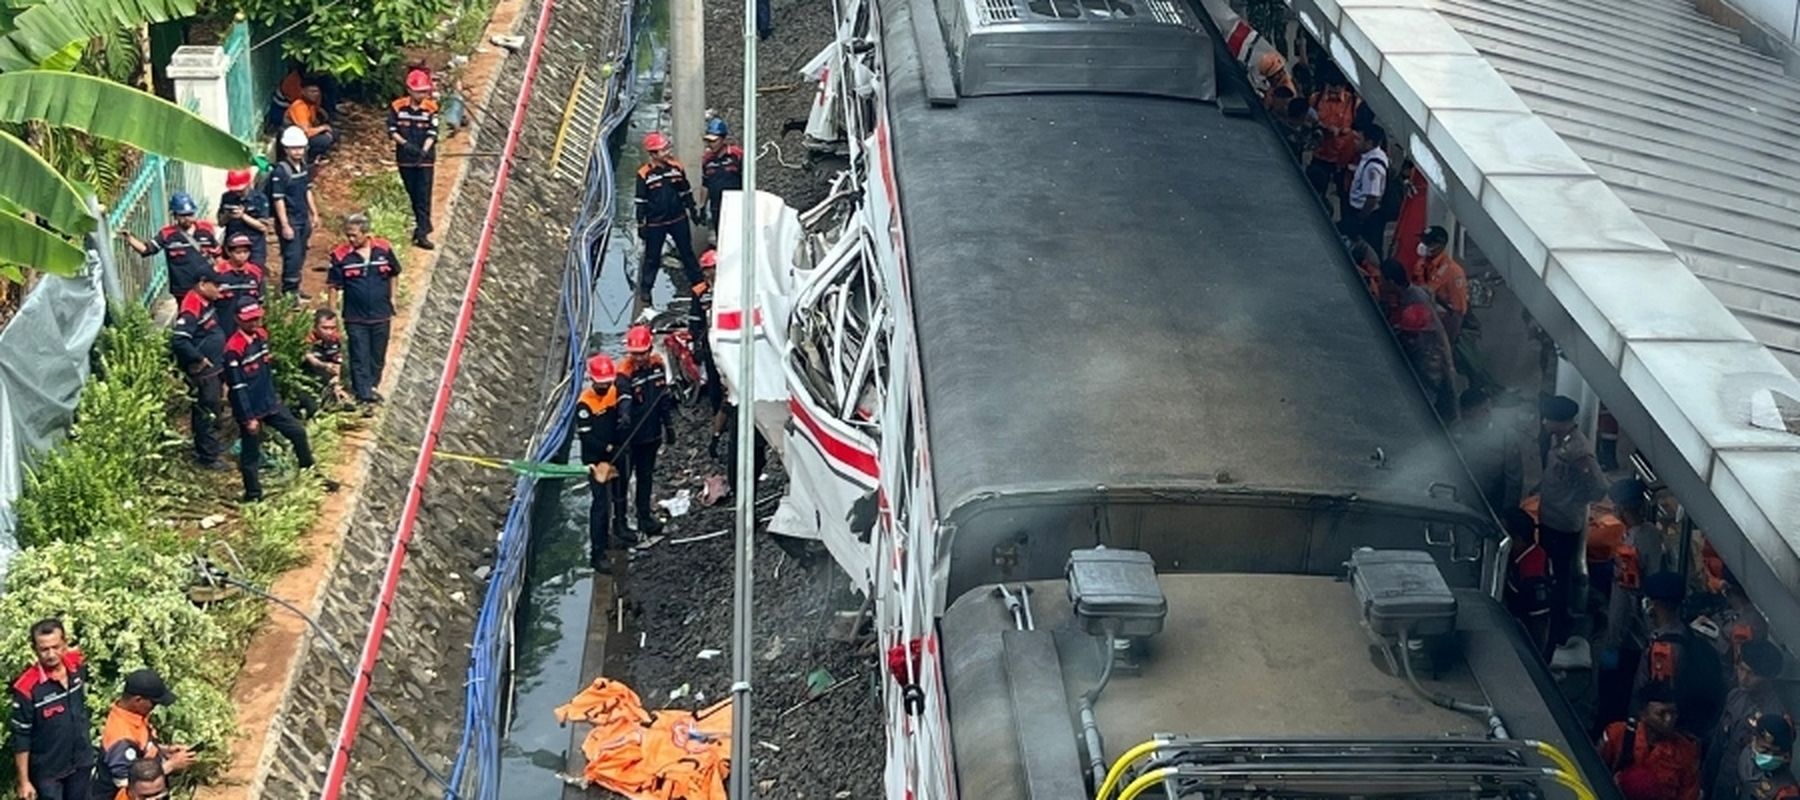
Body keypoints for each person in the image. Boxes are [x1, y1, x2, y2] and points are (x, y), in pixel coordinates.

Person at [224, 302, 332, 503]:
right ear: (237, 320)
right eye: (249, 320)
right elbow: (237, 387)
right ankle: (253, 495)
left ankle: (310, 472)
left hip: (269, 401)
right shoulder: (234, 349)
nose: (254, 323)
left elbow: (265, 370)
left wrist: (274, 396)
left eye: (257, 318)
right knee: (251, 453)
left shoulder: (261, 336)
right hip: (250, 408)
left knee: (297, 432)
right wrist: (248, 418)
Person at [1538, 394, 1607, 657]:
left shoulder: (1578, 451)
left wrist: (1576, 500)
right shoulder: (1559, 441)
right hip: (1551, 517)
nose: (1544, 423)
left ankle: (1559, 626)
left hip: (1564, 523)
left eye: (1548, 418)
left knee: (1560, 578)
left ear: (1560, 421)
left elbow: (1598, 487)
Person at [1599, 478, 1668, 726]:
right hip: (1646, 626)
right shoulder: (1651, 533)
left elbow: (1624, 597)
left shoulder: (1632, 548)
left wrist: (1613, 640)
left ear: (1624, 508)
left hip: (1632, 634)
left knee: (1616, 689)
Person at [1633, 571, 1726, 738]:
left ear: (1656, 603)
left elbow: (1658, 695)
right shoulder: (1687, 633)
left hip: (1661, 730)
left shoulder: (1664, 648)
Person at [9, 619, 93, 800]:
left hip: (81, 762)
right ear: (34, 649)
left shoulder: (76, 665)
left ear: (65, 644)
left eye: (56, 647)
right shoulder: (26, 688)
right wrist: (24, 781)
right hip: (48, 773)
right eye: (44, 649)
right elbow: (21, 737)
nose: (51, 654)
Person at [325, 214, 400, 406]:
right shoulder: (340, 256)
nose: (350, 239)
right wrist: (332, 315)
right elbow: (333, 286)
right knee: (359, 354)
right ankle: (364, 394)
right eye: (348, 235)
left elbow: (394, 273)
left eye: (354, 235)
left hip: (381, 314)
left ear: (366, 233)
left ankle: (372, 387)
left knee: (377, 355)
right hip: (355, 317)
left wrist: (393, 297)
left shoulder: (383, 249)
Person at [1707, 640, 1792, 799]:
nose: (1744, 678)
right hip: (1720, 779)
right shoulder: (1736, 695)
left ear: (1767, 678)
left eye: (1752, 674)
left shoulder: (1776, 717)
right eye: (1742, 669)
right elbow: (1718, 741)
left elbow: (1776, 767)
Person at [634, 131, 704, 305]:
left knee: (687, 252)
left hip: (678, 219)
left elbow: (685, 191)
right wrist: (641, 224)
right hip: (656, 223)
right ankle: (646, 290)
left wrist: (693, 211)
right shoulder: (644, 174)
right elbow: (640, 202)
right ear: (653, 154)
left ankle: (698, 283)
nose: (667, 152)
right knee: (652, 257)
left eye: (666, 149)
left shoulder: (676, 168)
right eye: (663, 150)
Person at [616, 324, 674, 536]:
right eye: (635, 354)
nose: (639, 358)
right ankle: (620, 522)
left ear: (649, 349)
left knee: (645, 477)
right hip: (630, 437)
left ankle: (644, 517)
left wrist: (668, 425)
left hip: (652, 434)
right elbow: (624, 396)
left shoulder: (658, 365)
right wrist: (624, 415)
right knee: (622, 480)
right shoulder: (624, 373)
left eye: (642, 353)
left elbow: (663, 398)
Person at [97, 669, 192, 798]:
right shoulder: (121, 739)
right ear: (138, 700)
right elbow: (126, 783)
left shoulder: (132, 716)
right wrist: (170, 765)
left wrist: (164, 750)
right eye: (153, 703)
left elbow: (139, 748)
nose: (154, 707)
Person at [1599, 682, 1702, 800]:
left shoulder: (1686, 750)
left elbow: (1689, 793)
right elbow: (1593, 770)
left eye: (1673, 713)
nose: (1669, 719)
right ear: (1643, 713)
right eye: (1661, 714)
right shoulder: (1617, 734)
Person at [577, 354, 632, 569]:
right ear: (592, 380)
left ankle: (620, 528)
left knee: (620, 493)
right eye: (601, 384)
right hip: (596, 461)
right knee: (600, 506)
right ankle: (597, 553)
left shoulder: (614, 391)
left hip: (616, 453)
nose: (605, 387)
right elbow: (587, 438)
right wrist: (609, 448)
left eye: (608, 383)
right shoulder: (584, 404)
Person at [170, 272, 229, 471]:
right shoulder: (191, 306)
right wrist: (199, 359)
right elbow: (180, 340)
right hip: (204, 372)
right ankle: (208, 456)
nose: (220, 290)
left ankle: (212, 446)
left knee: (214, 407)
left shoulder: (205, 301)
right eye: (217, 286)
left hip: (214, 367)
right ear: (203, 284)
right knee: (206, 411)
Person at [119, 192, 221, 300]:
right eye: (183, 215)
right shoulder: (167, 234)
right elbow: (146, 249)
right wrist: (129, 239)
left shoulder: (206, 230)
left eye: (190, 214)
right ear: (175, 215)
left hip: (207, 287)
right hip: (183, 291)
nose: (188, 218)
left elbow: (219, 256)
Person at [388, 70, 439, 250]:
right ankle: (421, 226)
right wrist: (406, 145)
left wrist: (423, 151)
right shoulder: (397, 107)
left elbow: (432, 132)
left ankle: (423, 232)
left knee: (423, 195)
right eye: (418, 91)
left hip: (425, 160)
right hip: (405, 158)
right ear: (409, 90)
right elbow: (392, 130)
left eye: (424, 91)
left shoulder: (431, 108)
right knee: (412, 193)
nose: (422, 95)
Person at [1452, 387, 1524, 514]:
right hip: (1461, 501)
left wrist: (1509, 512)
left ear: (1486, 410)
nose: (1469, 421)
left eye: (1473, 416)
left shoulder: (1506, 435)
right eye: (1466, 417)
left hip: (1493, 503)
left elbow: (1514, 480)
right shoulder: (1456, 430)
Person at [270, 126, 319, 297]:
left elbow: (307, 191)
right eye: (294, 148)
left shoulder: (303, 167)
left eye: (300, 148)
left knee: (301, 254)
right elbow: (278, 199)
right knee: (292, 256)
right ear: (286, 149)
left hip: (302, 217)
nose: (298, 152)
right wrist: (285, 225)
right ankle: (289, 293)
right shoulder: (281, 171)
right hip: (290, 219)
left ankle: (296, 288)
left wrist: (314, 213)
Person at [1394, 299, 1457, 422]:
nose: (1409, 340)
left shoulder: (1432, 356)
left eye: (1413, 335)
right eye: (1406, 334)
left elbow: (1430, 388)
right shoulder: (1399, 341)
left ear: (1425, 333)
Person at [1502, 506, 1554, 654]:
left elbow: (1539, 624)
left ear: (1517, 539)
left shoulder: (1533, 573)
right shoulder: (1517, 557)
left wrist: (1533, 658)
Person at [1307, 71, 1360, 198]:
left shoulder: (1353, 103)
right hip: (1320, 154)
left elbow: (1359, 130)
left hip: (1341, 159)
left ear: (1344, 86)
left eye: (1338, 86)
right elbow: (1307, 121)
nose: (1333, 90)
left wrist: (1343, 131)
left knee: (1342, 193)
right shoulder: (1316, 99)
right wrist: (1321, 127)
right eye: (1330, 85)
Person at [1726, 715, 1800, 800]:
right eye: (1764, 749)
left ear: (1785, 756)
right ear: (1753, 740)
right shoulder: (1743, 748)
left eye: (1776, 753)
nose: (1769, 756)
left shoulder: (1787, 791)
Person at [1415, 225, 1468, 341]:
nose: (1423, 245)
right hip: (1426, 316)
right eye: (1423, 241)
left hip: (1443, 321)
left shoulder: (1453, 272)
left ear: (1440, 245)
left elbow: (1458, 311)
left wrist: (1447, 340)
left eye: (1428, 243)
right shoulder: (1422, 264)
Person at [1341, 124, 1389, 250]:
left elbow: (1372, 198)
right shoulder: (1374, 155)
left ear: (1369, 143)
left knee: (1365, 248)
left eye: (1359, 139)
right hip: (1363, 212)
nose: (1355, 142)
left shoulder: (1373, 168)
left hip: (1365, 214)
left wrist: (1360, 219)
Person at [689, 249, 723, 415]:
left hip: (725, 336)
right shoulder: (699, 292)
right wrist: (696, 344)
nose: (711, 272)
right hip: (708, 340)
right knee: (713, 376)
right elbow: (694, 319)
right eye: (708, 269)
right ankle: (716, 409)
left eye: (713, 268)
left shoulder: (730, 288)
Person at [217, 168, 272, 269]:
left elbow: (263, 227)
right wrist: (227, 215)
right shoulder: (227, 197)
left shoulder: (259, 199)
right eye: (235, 190)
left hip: (253, 246)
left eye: (240, 190)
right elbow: (220, 223)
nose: (237, 193)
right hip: (232, 245)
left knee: (255, 273)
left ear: (248, 184)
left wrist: (243, 216)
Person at [213, 233, 266, 338]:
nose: (242, 256)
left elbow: (261, 301)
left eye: (245, 252)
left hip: (248, 327)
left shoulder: (256, 272)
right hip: (223, 324)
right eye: (238, 252)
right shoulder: (218, 272)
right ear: (228, 252)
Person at [299, 308, 349, 416]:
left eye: (332, 328)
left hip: (323, 377)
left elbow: (336, 362)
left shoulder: (334, 339)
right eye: (325, 328)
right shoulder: (307, 338)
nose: (329, 332)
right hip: (305, 379)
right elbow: (310, 358)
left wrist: (336, 385)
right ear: (315, 327)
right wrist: (324, 366)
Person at [698, 119, 743, 230]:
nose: (710, 144)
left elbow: (748, 179)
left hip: (736, 205)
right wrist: (702, 207)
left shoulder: (737, 155)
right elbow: (705, 184)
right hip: (716, 206)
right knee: (720, 235)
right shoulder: (707, 159)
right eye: (708, 141)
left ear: (723, 139)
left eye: (714, 141)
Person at [284, 83, 335, 163]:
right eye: (312, 91)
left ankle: (319, 155)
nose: (315, 94)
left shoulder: (311, 104)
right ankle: (311, 160)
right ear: (303, 92)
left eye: (317, 92)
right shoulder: (299, 106)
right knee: (325, 139)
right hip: (294, 137)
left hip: (306, 132)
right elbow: (307, 132)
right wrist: (323, 128)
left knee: (334, 133)